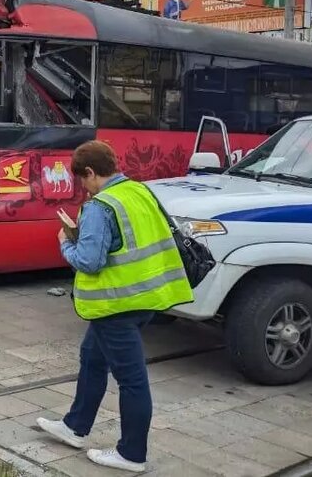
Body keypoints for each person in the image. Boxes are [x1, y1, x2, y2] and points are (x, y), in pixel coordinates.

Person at [36, 140, 194, 473]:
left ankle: (132, 454)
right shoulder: (139, 192)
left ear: (91, 173)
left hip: (116, 303)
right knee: (92, 358)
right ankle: (74, 427)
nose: (83, 186)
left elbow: (90, 262)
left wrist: (66, 243)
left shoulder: (100, 206)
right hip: (145, 297)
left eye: (82, 179)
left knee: (132, 380)